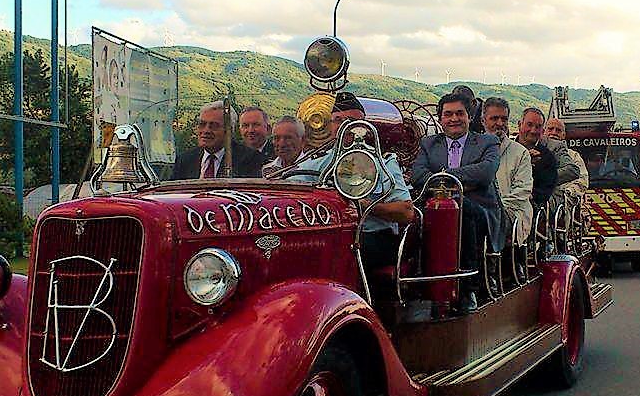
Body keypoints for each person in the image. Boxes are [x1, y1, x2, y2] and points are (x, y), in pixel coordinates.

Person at [290, 92, 415, 270]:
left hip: (372, 236)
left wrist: (363, 206)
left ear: (364, 125)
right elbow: (293, 193)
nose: (345, 126)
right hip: (327, 234)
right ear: (330, 125)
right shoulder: (316, 162)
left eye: (351, 120)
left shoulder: (384, 161)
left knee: (336, 250)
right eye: (338, 120)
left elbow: (406, 212)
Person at [411, 92, 501, 313]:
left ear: (469, 116)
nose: (454, 119)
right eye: (448, 114)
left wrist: (444, 176)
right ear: (440, 119)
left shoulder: (487, 141)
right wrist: (458, 182)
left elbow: (485, 173)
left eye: (460, 113)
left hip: (478, 207)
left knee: (463, 211)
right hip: (435, 205)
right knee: (410, 217)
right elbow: (417, 175)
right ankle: (422, 282)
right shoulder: (428, 144)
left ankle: (468, 287)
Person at [170, 101, 267, 179]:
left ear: (229, 131)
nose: (206, 130)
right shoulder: (185, 160)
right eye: (202, 125)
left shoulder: (250, 160)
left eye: (214, 126)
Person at [482, 97, 533, 243]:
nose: (500, 123)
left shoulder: (520, 153)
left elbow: (522, 191)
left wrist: (494, 210)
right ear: (483, 121)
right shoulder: (472, 150)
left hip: (512, 214)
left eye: (504, 119)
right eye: (494, 118)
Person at [516, 108, 559, 209]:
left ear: (543, 131)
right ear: (519, 124)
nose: (533, 131)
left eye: (538, 127)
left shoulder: (547, 158)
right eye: (529, 125)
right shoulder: (506, 150)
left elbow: (545, 191)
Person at [544, 117, 589, 199]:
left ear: (564, 135)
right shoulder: (535, 152)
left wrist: (567, 192)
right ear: (544, 132)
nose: (554, 133)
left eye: (558, 130)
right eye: (550, 129)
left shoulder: (574, 156)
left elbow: (582, 181)